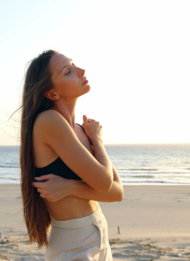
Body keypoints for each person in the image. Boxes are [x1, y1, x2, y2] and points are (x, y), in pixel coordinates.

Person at [18, 50, 124, 261]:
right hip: (73, 242)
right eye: (68, 71)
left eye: (74, 65)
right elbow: (104, 182)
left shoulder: (80, 130)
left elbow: (117, 192)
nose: (81, 70)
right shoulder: (49, 121)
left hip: (99, 231)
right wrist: (98, 141)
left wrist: (71, 187)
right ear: (52, 94)